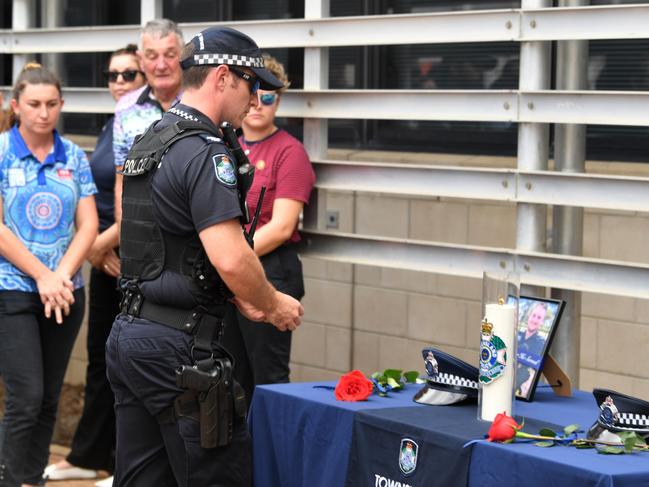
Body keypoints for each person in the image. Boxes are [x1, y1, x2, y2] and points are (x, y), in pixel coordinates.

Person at [105, 26, 303, 487]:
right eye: (251, 84)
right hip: (179, 351)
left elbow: (165, 246)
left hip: (132, 337)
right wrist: (272, 304)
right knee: (220, 476)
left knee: (142, 479)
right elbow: (230, 257)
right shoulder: (205, 151)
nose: (256, 99)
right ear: (222, 77)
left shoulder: (152, 139)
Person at [43, 45, 146, 486]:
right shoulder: (115, 122)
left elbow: (141, 198)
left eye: (129, 73)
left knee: (129, 364)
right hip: (103, 254)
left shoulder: (147, 120)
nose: (119, 82)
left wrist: (94, 247)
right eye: (113, 74)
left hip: (123, 254)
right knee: (100, 362)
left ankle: (126, 463)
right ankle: (90, 454)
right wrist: (95, 249)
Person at [0, 63, 98, 487]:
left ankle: (31, 479)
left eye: (52, 104)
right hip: (13, 290)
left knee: (49, 399)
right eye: (35, 104)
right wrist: (43, 275)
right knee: (26, 397)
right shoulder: (1, 151)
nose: (44, 113)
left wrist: (61, 276)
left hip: (64, 292)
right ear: (16, 105)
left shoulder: (74, 155)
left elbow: (89, 225)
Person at [221, 55, 315, 402]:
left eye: (270, 97)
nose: (259, 104)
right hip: (229, 268)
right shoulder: (225, 144)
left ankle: (271, 456)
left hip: (270, 268)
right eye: (254, 93)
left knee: (268, 379)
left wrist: (230, 254)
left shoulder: (290, 152)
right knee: (229, 375)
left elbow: (282, 226)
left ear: (281, 100)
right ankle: (238, 456)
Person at [515, 301, 548, 397]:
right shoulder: (515, 335)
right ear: (529, 316)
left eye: (539, 317)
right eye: (534, 315)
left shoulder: (541, 344)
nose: (535, 320)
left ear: (542, 321)